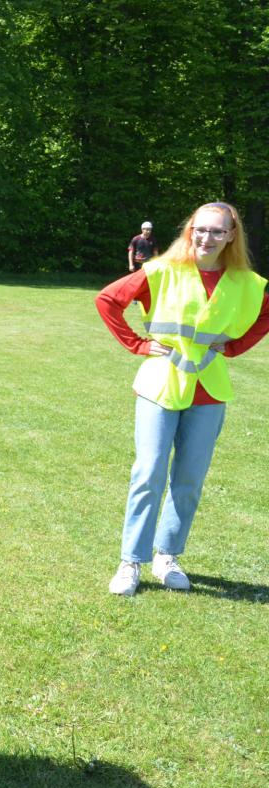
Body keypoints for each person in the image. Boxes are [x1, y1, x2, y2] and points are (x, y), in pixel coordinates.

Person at [97, 201, 269, 596]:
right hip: (160, 383)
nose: (207, 237)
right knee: (149, 472)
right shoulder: (161, 270)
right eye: (201, 229)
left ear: (231, 236)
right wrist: (137, 344)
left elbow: (264, 315)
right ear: (190, 230)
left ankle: (167, 556)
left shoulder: (246, 282)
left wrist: (235, 347)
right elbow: (107, 300)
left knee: (189, 479)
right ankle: (130, 561)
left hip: (209, 390)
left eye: (218, 231)